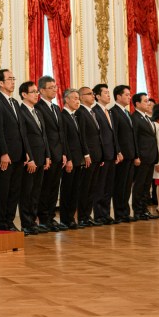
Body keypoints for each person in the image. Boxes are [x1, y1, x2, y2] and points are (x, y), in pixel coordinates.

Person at [0, 69, 27, 231]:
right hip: (6, 155)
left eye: (13, 78)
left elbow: (21, 130)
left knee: (15, 191)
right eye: (9, 79)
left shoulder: (15, 103)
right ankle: (2, 224)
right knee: (4, 190)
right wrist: (3, 153)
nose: (13, 81)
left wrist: (26, 152)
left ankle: (10, 221)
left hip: (19, 154)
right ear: (1, 83)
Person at [34, 77, 67, 231]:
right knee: (45, 188)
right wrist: (49, 154)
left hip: (59, 154)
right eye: (51, 87)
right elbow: (44, 134)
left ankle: (51, 217)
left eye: (55, 86)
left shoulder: (55, 108)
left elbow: (62, 133)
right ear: (41, 90)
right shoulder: (38, 107)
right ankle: (43, 218)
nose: (55, 90)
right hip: (48, 155)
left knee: (54, 188)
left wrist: (64, 154)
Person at [17, 81, 47, 234]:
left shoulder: (38, 111)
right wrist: (30, 158)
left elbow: (43, 135)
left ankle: (33, 221)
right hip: (31, 158)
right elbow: (24, 138)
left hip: (42, 157)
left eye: (37, 92)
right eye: (33, 92)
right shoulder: (20, 111)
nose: (37, 95)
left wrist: (47, 155)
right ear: (24, 94)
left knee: (36, 192)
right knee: (27, 192)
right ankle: (26, 223)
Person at [76, 86, 105, 227]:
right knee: (84, 188)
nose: (93, 96)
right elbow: (82, 136)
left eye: (93, 94)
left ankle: (87, 216)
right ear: (81, 97)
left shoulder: (92, 112)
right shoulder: (81, 112)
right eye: (89, 94)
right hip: (89, 157)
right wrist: (86, 154)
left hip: (97, 156)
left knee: (92, 188)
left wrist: (102, 155)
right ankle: (82, 217)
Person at [91, 84, 120, 223]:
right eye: (106, 93)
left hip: (112, 154)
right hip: (103, 155)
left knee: (109, 186)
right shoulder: (94, 111)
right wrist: (102, 153)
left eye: (109, 93)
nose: (109, 95)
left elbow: (114, 134)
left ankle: (106, 214)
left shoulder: (109, 111)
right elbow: (98, 136)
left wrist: (118, 151)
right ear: (97, 96)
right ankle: (98, 215)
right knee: (100, 186)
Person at [58, 89, 86, 229]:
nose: (77, 101)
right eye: (74, 98)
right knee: (67, 190)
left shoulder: (76, 116)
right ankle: (64, 219)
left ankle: (71, 218)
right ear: (66, 100)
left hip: (78, 159)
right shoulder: (63, 116)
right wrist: (68, 158)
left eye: (78, 98)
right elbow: (64, 140)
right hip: (70, 159)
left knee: (75, 190)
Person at [109, 85, 138, 221]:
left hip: (131, 154)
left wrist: (136, 154)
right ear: (118, 97)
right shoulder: (113, 112)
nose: (129, 97)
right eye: (126, 95)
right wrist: (118, 152)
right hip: (122, 155)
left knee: (127, 185)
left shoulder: (127, 113)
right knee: (120, 185)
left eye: (129, 94)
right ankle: (119, 213)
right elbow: (114, 135)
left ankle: (125, 211)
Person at [131, 93, 159, 222]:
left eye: (148, 101)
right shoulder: (135, 118)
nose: (148, 103)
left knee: (147, 185)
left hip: (151, 156)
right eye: (145, 101)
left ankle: (144, 209)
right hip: (142, 157)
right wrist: (136, 156)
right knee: (139, 185)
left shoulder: (147, 118)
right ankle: (138, 211)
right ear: (137, 104)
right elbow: (134, 139)